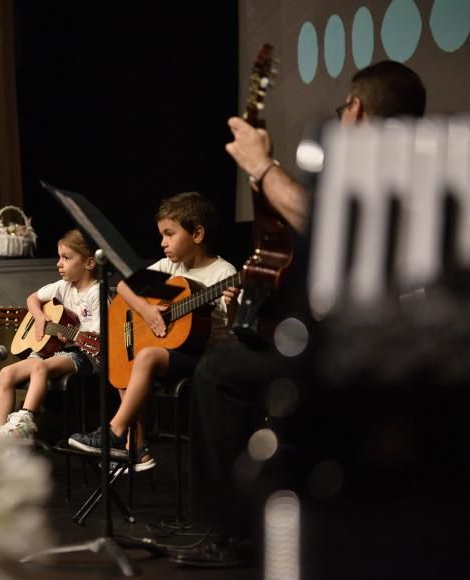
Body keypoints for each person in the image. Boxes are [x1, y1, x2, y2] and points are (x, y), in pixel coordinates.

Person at [172, 60, 427, 568]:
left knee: (218, 371)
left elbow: (324, 217)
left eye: (342, 109)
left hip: (372, 365)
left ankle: (229, 533)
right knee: (244, 352)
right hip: (379, 353)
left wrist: (263, 167)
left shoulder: (389, 174)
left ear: (354, 110)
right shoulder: (417, 169)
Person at [68, 192, 238, 471]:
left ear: (197, 233)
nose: (163, 243)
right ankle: (137, 447)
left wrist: (231, 307)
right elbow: (125, 286)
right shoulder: (170, 268)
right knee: (125, 362)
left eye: (169, 234)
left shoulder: (223, 273)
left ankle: (115, 433)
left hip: (206, 357)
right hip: (172, 350)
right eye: (162, 235)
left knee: (144, 357)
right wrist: (147, 311)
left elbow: (233, 330)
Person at [0, 229, 100, 470]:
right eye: (59, 257)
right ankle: (0, 443)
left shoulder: (96, 294)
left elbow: (95, 338)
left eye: (67, 258)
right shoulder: (63, 287)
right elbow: (32, 299)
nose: (59, 264)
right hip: (52, 353)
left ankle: (25, 421)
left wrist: (72, 336)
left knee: (39, 366)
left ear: (89, 263)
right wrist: (40, 318)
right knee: (6, 374)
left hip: (80, 355)